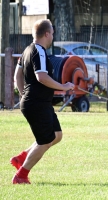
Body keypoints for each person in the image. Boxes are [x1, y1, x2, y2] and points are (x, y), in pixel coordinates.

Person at [11, 19, 75, 184]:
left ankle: (22, 157)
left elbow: (17, 75)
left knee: (57, 135)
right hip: (37, 103)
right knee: (45, 141)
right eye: (52, 33)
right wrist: (63, 86)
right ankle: (21, 176)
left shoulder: (27, 50)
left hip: (39, 102)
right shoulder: (38, 51)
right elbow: (42, 77)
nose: (52, 36)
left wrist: (22, 93)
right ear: (46, 34)